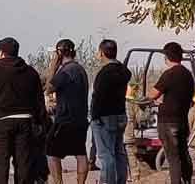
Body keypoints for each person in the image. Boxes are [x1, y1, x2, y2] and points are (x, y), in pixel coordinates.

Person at [0, 37, 47, 184]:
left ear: (1, 52)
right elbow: (39, 101)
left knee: (1, 165)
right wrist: (40, 123)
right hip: (25, 123)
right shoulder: (31, 72)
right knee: (23, 165)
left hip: (2, 123)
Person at [147, 42, 194, 184]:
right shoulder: (188, 75)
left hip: (168, 121)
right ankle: (187, 181)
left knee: (173, 158)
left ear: (167, 57)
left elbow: (152, 94)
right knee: (183, 154)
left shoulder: (169, 74)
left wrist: (157, 100)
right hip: (182, 120)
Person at [45, 39, 89, 184]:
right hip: (81, 119)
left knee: (51, 152)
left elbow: (49, 88)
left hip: (65, 120)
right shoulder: (80, 70)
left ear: (59, 53)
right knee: (80, 153)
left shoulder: (65, 71)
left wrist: (53, 66)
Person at [91, 39, 132, 184]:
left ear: (102, 53)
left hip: (104, 117)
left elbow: (98, 97)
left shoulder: (104, 73)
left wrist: (94, 117)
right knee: (118, 152)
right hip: (120, 114)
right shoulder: (123, 71)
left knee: (106, 155)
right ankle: (121, 180)